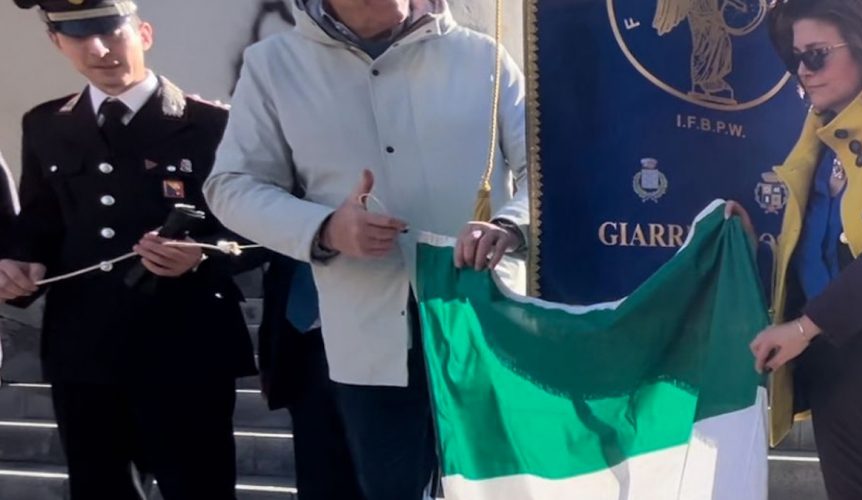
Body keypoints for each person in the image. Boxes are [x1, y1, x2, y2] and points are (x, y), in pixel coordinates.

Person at [203, 0, 530, 497]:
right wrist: (326, 228)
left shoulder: (482, 55)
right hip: (367, 332)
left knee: (508, 487)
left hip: (484, 321)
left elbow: (544, 171)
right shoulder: (275, 65)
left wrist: (510, 224)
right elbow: (231, 184)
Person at [0, 1, 256, 498]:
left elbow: (261, 225)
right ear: (57, 43)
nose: (98, 49)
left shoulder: (213, 125)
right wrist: (17, 264)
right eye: (77, 36)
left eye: (109, 31)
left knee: (199, 489)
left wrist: (203, 253)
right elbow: (40, 220)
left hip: (186, 348)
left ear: (143, 33)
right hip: (84, 351)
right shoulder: (46, 126)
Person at [728, 1, 862, 498]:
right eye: (795, 57)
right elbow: (812, 256)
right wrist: (747, 243)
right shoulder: (815, 138)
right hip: (832, 368)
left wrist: (806, 327)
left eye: (818, 54)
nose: (803, 71)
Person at [257, 254, 363, 499]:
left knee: (372, 473)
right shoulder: (289, 219)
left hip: (372, 340)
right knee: (316, 472)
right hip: (303, 346)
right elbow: (275, 284)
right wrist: (267, 361)